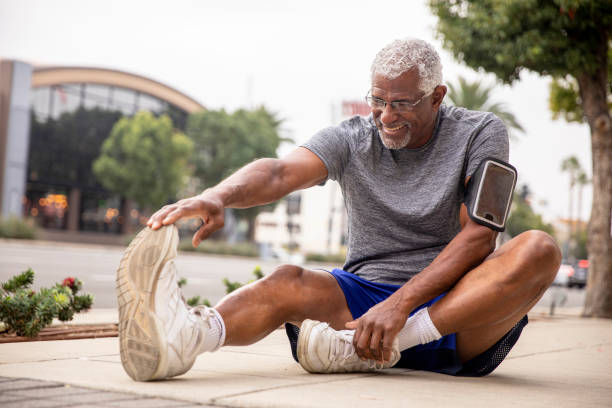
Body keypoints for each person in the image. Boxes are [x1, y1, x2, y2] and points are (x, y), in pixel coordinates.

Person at [116, 38, 561, 382]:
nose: (386, 115)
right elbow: (277, 173)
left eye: (402, 103)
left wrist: (401, 307)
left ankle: (378, 347)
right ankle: (183, 340)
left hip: (457, 313)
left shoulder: (481, 132)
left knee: (539, 249)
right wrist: (218, 196)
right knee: (284, 281)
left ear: (437, 96)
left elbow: (480, 235)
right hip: (361, 306)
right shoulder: (353, 137)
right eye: (378, 100)